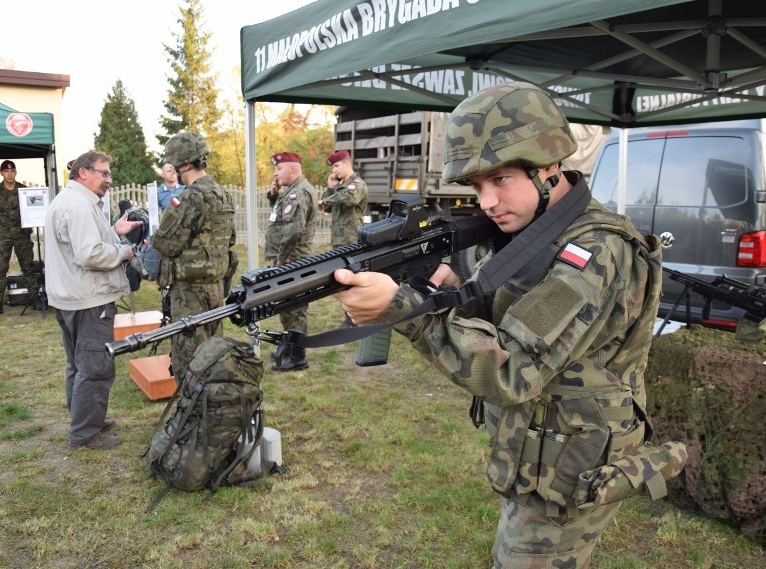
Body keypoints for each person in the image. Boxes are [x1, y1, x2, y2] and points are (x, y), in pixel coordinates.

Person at [333, 82, 668, 567]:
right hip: (540, 450)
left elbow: (513, 370)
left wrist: (405, 309)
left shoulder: (594, 251)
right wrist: (448, 291)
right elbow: (505, 316)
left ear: (550, 167)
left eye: (501, 180)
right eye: (476, 186)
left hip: (572, 466)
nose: (487, 201)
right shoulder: (533, 231)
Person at [45, 151, 143, 450]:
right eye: (104, 173)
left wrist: (114, 232)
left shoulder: (69, 201)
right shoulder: (79, 206)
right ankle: (85, 433)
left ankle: (84, 418)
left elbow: (82, 242)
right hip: (89, 300)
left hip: (71, 297)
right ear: (83, 172)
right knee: (95, 366)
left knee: (78, 363)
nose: (108, 180)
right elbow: (89, 254)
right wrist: (124, 251)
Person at [151, 132, 237, 380]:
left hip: (189, 292)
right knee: (214, 352)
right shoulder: (223, 193)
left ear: (184, 164)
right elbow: (230, 241)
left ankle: (194, 414)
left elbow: (166, 243)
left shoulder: (189, 197)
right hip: (215, 288)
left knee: (188, 357)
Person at [265, 152, 317, 371]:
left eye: (279, 169)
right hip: (288, 259)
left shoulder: (300, 193)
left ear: (293, 169)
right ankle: (289, 347)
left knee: (294, 307)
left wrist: (281, 259)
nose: (276, 173)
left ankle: (297, 357)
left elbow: (294, 230)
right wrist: (273, 195)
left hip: (292, 260)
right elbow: (281, 220)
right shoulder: (291, 192)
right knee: (286, 306)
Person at [0, 159, 41, 316]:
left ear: (16, 172)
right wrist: (2, 220)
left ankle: (34, 300)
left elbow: (31, 208)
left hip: (21, 235)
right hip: (3, 236)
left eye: (12, 171)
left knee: (28, 268)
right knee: (0, 269)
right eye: (6, 171)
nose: (9, 174)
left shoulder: (23, 191)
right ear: (2, 173)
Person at [319, 149, 368, 328]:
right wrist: (330, 188)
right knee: (342, 280)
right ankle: (350, 317)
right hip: (339, 240)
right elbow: (326, 208)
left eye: (337, 166)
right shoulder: (340, 187)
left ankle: (355, 318)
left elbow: (349, 199)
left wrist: (327, 200)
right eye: (333, 168)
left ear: (347, 164)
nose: (334, 171)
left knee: (353, 279)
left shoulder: (357, 184)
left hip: (352, 240)